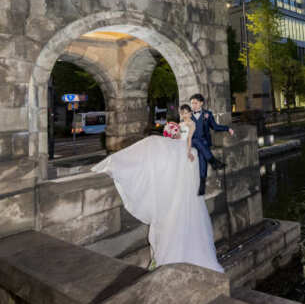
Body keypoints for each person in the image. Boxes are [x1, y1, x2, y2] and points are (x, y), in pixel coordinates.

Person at [91, 104, 223, 272]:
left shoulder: (180, 139)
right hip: (185, 194)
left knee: (168, 228)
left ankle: (165, 259)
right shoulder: (188, 148)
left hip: (175, 190)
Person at [189, 93, 234, 196]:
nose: (193, 105)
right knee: (196, 141)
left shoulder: (207, 114)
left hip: (204, 142)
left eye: (195, 103)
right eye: (192, 103)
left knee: (201, 155)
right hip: (193, 142)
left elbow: (215, 127)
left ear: (201, 103)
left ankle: (202, 184)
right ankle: (213, 161)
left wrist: (227, 128)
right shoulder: (189, 115)